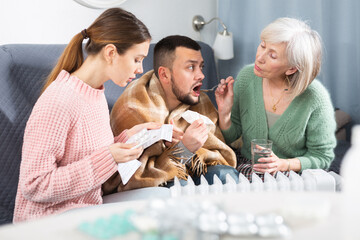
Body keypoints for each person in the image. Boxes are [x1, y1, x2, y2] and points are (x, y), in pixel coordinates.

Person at [13, 8, 161, 223]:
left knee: (162, 201)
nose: (140, 69)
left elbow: (87, 153)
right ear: (111, 53)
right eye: (137, 59)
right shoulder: (58, 101)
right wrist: (109, 157)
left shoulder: (95, 93)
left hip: (82, 210)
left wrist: (129, 138)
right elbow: (35, 185)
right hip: (46, 222)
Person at [103, 35, 237, 193]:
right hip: (152, 187)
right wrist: (184, 149)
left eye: (201, 67)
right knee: (179, 187)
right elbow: (128, 179)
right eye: (191, 67)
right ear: (165, 75)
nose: (201, 75)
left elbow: (222, 155)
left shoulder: (199, 101)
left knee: (226, 175)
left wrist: (224, 113)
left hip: (188, 169)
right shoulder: (133, 108)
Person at [215, 17, 336, 179]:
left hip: (293, 174)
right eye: (262, 46)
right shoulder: (247, 77)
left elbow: (322, 157)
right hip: (247, 166)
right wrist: (224, 113)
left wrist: (283, 164)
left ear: (292, 68)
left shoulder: (315, 98)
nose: (260, 57)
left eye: (272, 55)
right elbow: (230, 138)